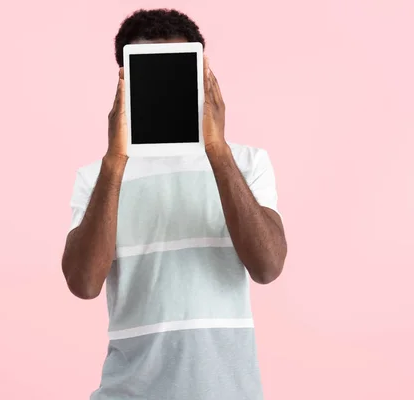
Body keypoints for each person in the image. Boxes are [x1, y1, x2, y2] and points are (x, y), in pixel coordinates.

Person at [61, 8, 288, 400]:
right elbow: (83, 284)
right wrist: (115, 161)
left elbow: (268, 267)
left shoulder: (247, 163)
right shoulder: (98, 178)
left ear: (202, 74)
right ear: (125, 81)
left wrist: (216, 150)